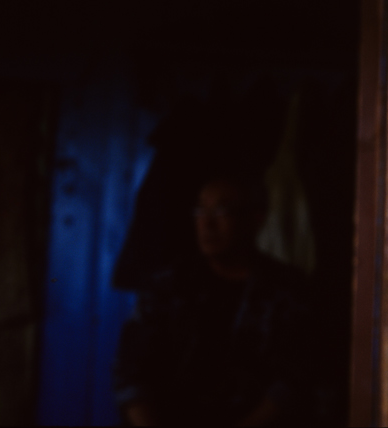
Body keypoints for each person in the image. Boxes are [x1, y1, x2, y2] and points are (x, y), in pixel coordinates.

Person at [113, 174, 315, 426]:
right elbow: (131, 373)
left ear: (255, 219)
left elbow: (295, 378)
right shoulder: (169, 284)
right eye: (200, 210)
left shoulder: (286, 288)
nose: (206, 223)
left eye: (221, 211)